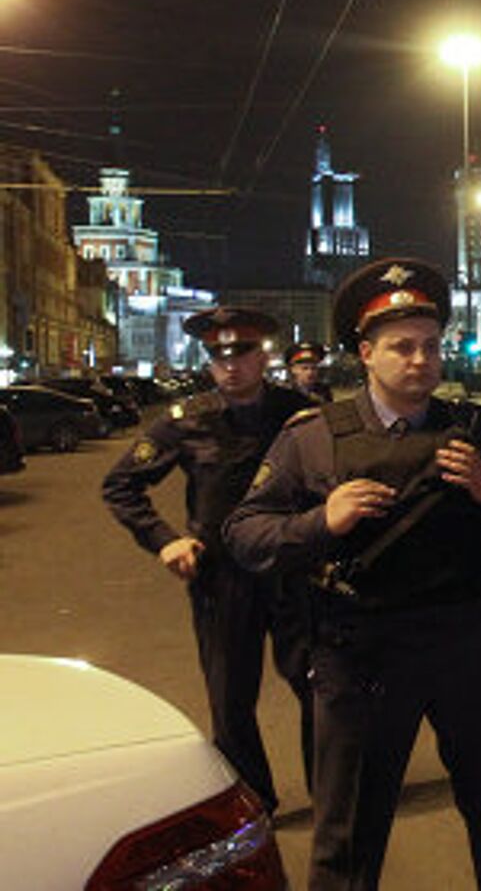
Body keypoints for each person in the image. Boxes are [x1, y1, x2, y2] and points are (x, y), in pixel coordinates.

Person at [225, 257, 481, 890]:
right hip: (363, 658)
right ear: (365, 353)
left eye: (431, 346)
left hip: (470, 647)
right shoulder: (314, 436)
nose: (420, 360)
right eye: (401, 347)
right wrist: (321, 521)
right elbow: (244, 534)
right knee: (348, 833)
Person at [102, 305, 317, 814]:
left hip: (294, 572)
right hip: (224, 580)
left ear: (262, 355)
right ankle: (253, 802)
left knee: (317, 684)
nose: (229, 365)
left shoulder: (299, 413)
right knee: (230, 697)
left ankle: (329, 790)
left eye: (241, 352)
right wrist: (163, 540)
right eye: (218, 355)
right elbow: (120, 484)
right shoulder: (186, 421)